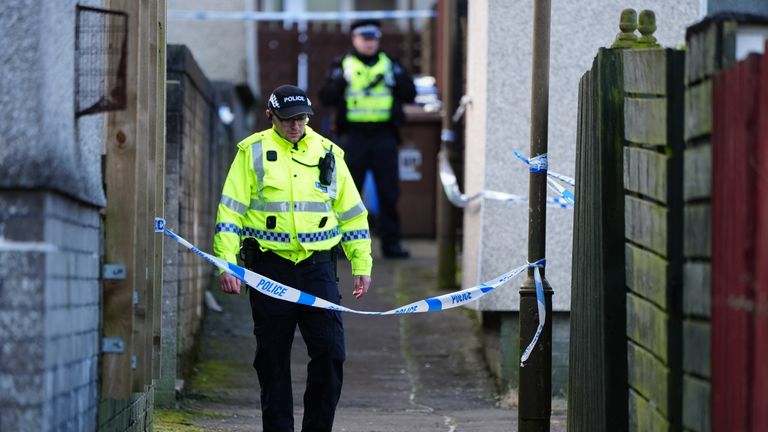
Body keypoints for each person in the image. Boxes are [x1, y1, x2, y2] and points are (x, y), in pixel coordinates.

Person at [213, 84, 372, 432]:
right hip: (269, 269)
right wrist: (228, 263)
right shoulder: (252, 152)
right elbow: (231, 213)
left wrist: (361, 264)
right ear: (271, 116)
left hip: (318, 269)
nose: (295, 126)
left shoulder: (329, 152)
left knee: (331, 354)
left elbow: (352, 216)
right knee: (271, 360)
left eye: (301, 119)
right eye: (287, 120)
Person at [319, 19, 417, 259]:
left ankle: (391, 245)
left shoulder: (390, 65)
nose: (369, 43)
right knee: (347, 192)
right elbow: (325, 97)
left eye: (373, 38)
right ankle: (341, 244)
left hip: (384, 136)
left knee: (389, 193)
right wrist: (342, 80)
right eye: (364, 38)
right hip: (354, 137)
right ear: (355, 39)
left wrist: (397, 79)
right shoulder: (342, 65)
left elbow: (410, 93)